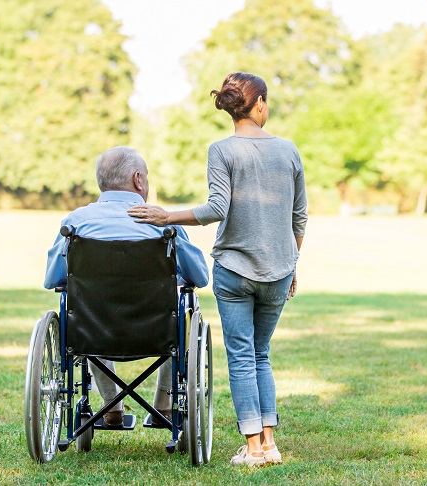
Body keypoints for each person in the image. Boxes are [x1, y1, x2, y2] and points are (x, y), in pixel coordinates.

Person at [128, 72, 307, 467]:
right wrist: (291, 264)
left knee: (242, 356)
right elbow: (299, 218)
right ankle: (270, 443)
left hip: (234, 269)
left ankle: (254, 448)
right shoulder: (289, 150)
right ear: (258, 103)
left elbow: (216, 209)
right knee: (261, 354)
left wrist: (166, 215)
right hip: (279, 270)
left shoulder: (221, 150)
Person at [44, 146, 209, 427]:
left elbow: (53, 280)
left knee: (87, 307)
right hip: (157, 331)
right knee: (182, 310)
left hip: (93, 331)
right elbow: (201, 278)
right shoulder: (162, 224)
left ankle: (111, 408)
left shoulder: (76, 223)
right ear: (138, 179)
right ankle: (164, 407)